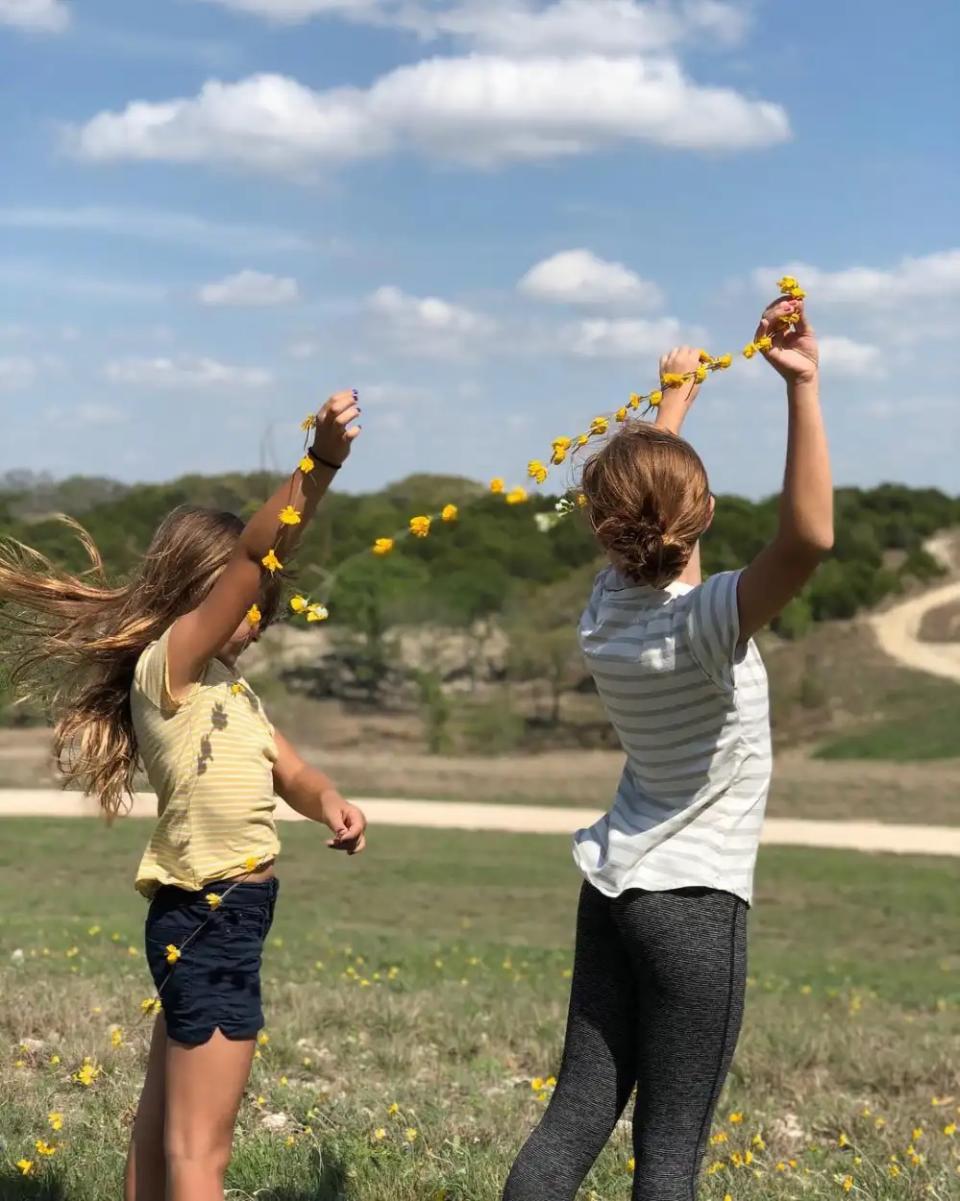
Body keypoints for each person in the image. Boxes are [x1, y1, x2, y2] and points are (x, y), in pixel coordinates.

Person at [502, 295, 832, 1201]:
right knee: (672, 1150)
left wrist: (672, 400)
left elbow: (640, 519)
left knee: (573, 1115)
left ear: (602, 529)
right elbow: (809, 540)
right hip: (695, 907)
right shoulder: (705, 625)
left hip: (611, 888)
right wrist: (804, 386)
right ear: (709, 515)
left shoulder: (604, 616)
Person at [0, 391, 368, 1201]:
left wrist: (330, 798)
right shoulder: (169, 670)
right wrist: (323, 462)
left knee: (164, 1123)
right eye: (250, 604)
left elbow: (292, 772)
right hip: (214, 911)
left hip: (208, 913)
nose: (260, 616)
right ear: (199, 592)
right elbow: (252, 557)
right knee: (203, 1150)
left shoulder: (229, 695)